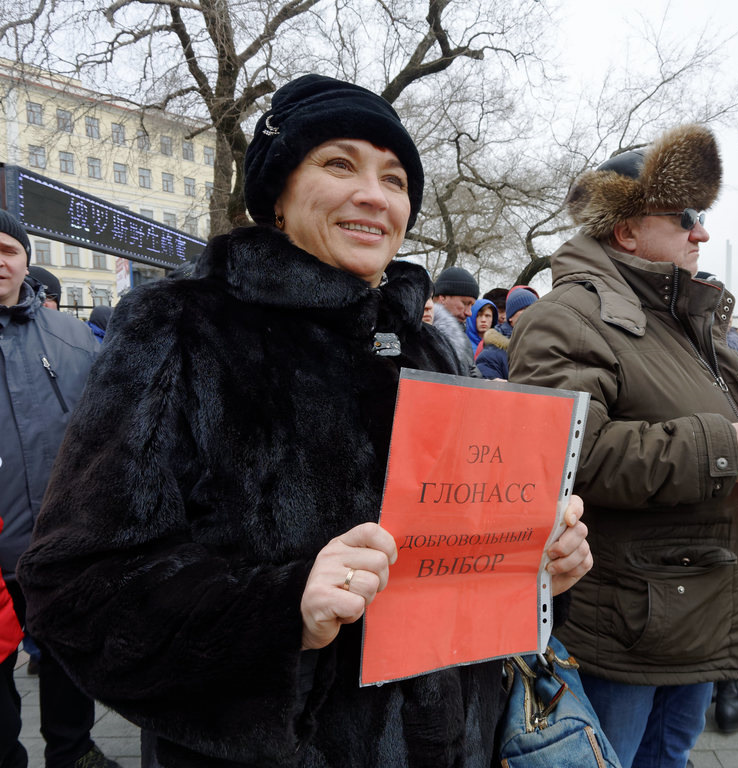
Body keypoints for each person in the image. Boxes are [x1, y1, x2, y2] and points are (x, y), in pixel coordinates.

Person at [16, 75, 592, 768]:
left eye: (396, 178)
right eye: (339, 163)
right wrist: (283, 612)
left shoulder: (432, 345)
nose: (375, 196)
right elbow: (75, 587)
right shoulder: (183, 329)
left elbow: (449, 555)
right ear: (278, 195)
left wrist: (530, 567)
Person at [508, 124, 738, 766]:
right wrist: (724, 450)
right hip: (631, 616)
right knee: (617, 756)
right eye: (684, 218)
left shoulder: (680, 317)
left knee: (672, 755)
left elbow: (695, 412)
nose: (702, 233)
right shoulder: (568, 317)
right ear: (626, 231)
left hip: (694, 600)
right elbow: (566, 457)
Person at [0, 209, 112, 768]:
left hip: (61, 544)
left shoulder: (73, 336)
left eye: (8, 248)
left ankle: (74, 753)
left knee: (70, 665)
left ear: (25, 260)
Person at [476, 287, 537, 380]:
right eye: (524, 309)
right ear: (510, 317)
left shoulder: (548, 346)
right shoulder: (491, 353)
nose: (530, 313)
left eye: (534, 309)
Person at [431, 266, 480, 374]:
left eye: (471, 305)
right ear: (442, 298)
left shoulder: (463, 338)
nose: (469, 313)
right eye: (465, 303)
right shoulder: (419, 333)